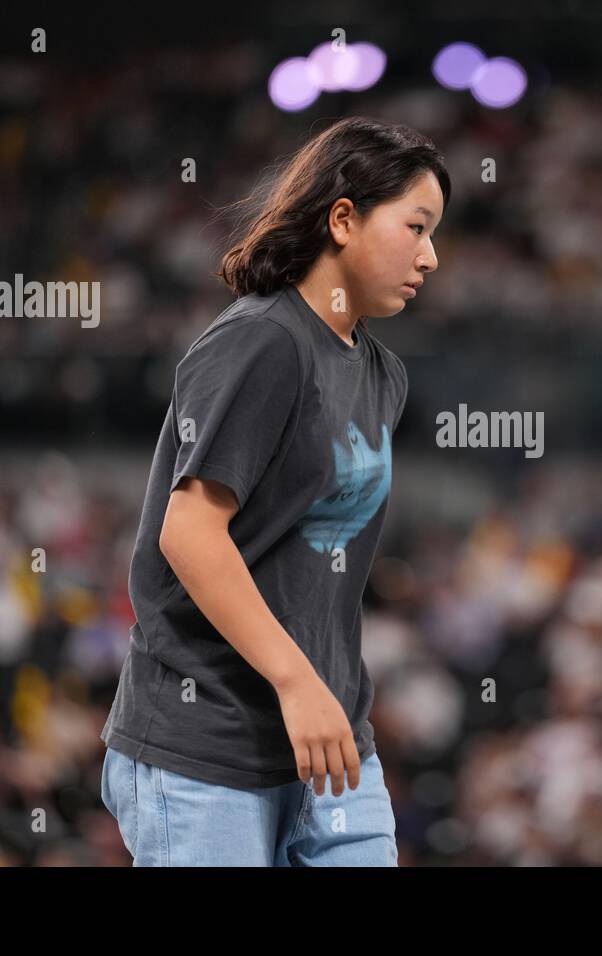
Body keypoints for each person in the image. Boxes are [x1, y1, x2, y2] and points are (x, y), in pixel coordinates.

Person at [99, 116, 449, 866]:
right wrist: (295, 682)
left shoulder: (384, 374)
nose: (431, 256)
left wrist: (321, 697)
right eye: (416, 227)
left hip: (331, 741)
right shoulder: (261, 340)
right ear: (344, 218)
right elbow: (188, 533)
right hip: (209, 742)